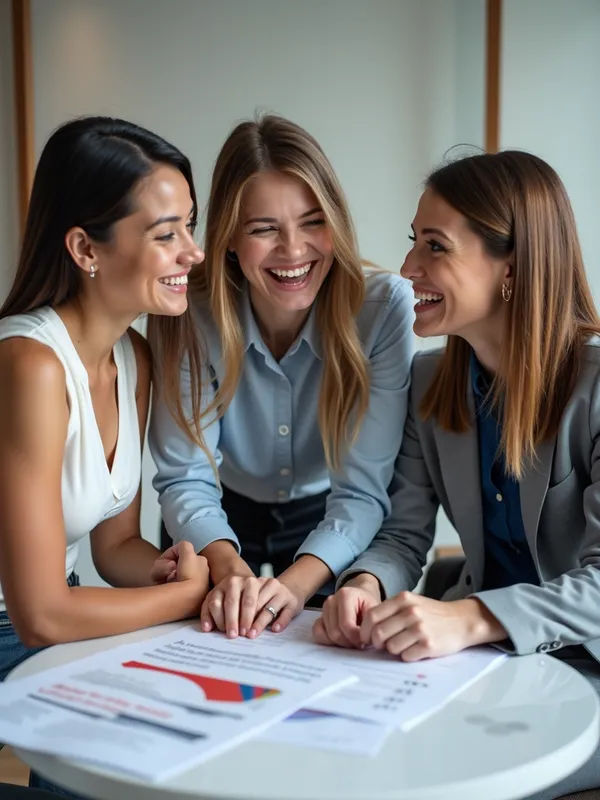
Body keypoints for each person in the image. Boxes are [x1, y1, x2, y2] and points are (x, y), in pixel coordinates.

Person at [314, 150, 600, 799]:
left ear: (512, 268)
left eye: (434, 247)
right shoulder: (428, 382)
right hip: (486, 664)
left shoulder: (596, 387)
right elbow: (403, 534)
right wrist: (364, 584)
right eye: (413, 242)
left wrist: (471, 618)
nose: (408, 268)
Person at [0, 116, 210, 795]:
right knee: (112, 745)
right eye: (166, 234)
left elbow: (114, 541)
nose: (195, 253)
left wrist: (165, 567)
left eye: (191, 227)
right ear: (86, 248)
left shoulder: (134, 357)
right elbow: (40, 614)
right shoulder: (28, 364)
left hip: (43, 617)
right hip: (20, 623)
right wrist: (185, 597)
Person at [149, 114, 415, 641]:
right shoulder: (184, 310)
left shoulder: (383, 310)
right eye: (264, 229)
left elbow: (363, 491)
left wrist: (295, 585)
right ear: (227, 237)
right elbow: (186, 477)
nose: (294, 251)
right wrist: (228, 571)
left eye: (313, 221)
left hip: (332, 520)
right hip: (211, 519)